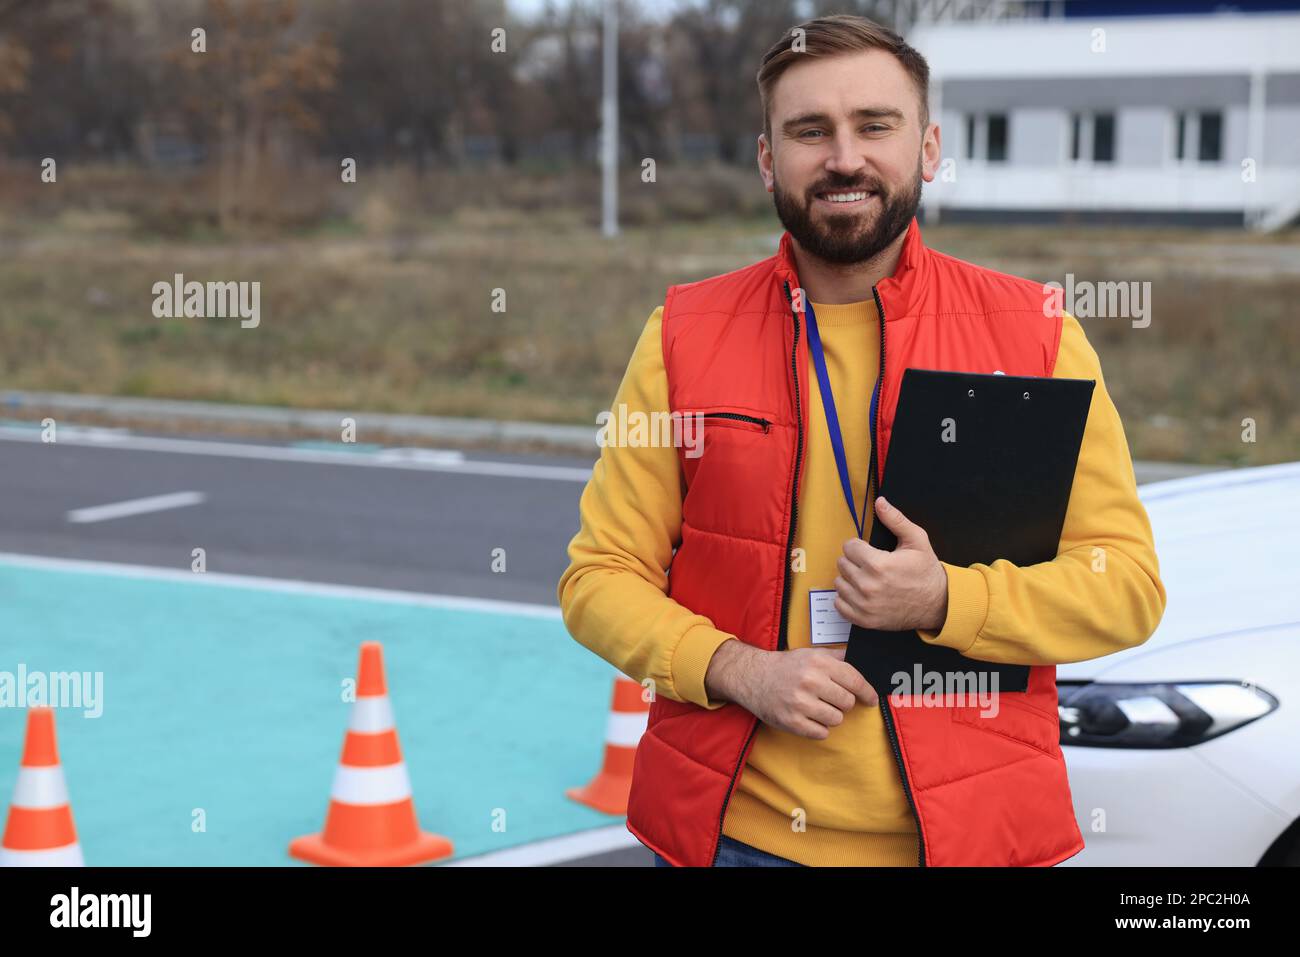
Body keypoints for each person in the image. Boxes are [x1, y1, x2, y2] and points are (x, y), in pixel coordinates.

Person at [557, 14, 1165, 868]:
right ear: (769, 160)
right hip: (738, 840)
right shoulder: (683, 335)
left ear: (928, 147)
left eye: (875, 125)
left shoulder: (1035, 335)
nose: (845, 157)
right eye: (811, 131)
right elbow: (598, 579)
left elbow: (1127, 587)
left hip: (966, 842)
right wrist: (739, 669)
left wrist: (947, 601)